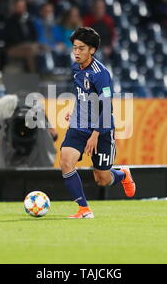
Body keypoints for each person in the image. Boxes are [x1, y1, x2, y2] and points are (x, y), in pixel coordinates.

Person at [60, 27, 135, 219]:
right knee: (66, 161)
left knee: (102, 179)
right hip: (79, 124)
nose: (76, 52)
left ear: (92, 50)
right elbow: (82, 95)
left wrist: (95, 134)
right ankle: (84, 209)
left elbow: (106, 105)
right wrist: (75, 110)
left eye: (81, 48)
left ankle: (122, 174)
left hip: (101, 129)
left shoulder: (101, 74)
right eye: (75, 48)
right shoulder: (76, 68)